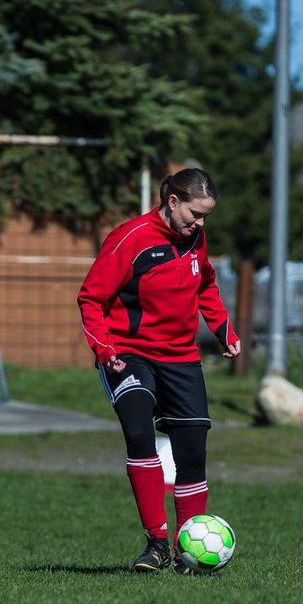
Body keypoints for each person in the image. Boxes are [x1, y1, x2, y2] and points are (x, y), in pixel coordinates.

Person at [77, 167, 242, 572]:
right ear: (173, 202)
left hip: (181, 356)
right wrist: (104, 348)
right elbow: (90, 299)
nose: (199, 224)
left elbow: (205, 285)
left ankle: (188, 549)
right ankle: (156, 543)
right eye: (195, 214)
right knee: (138, 431)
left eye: (205, 217)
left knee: (191, 453)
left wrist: (223, 329)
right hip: (128, 352)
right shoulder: (130, 239)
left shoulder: (195, 240)